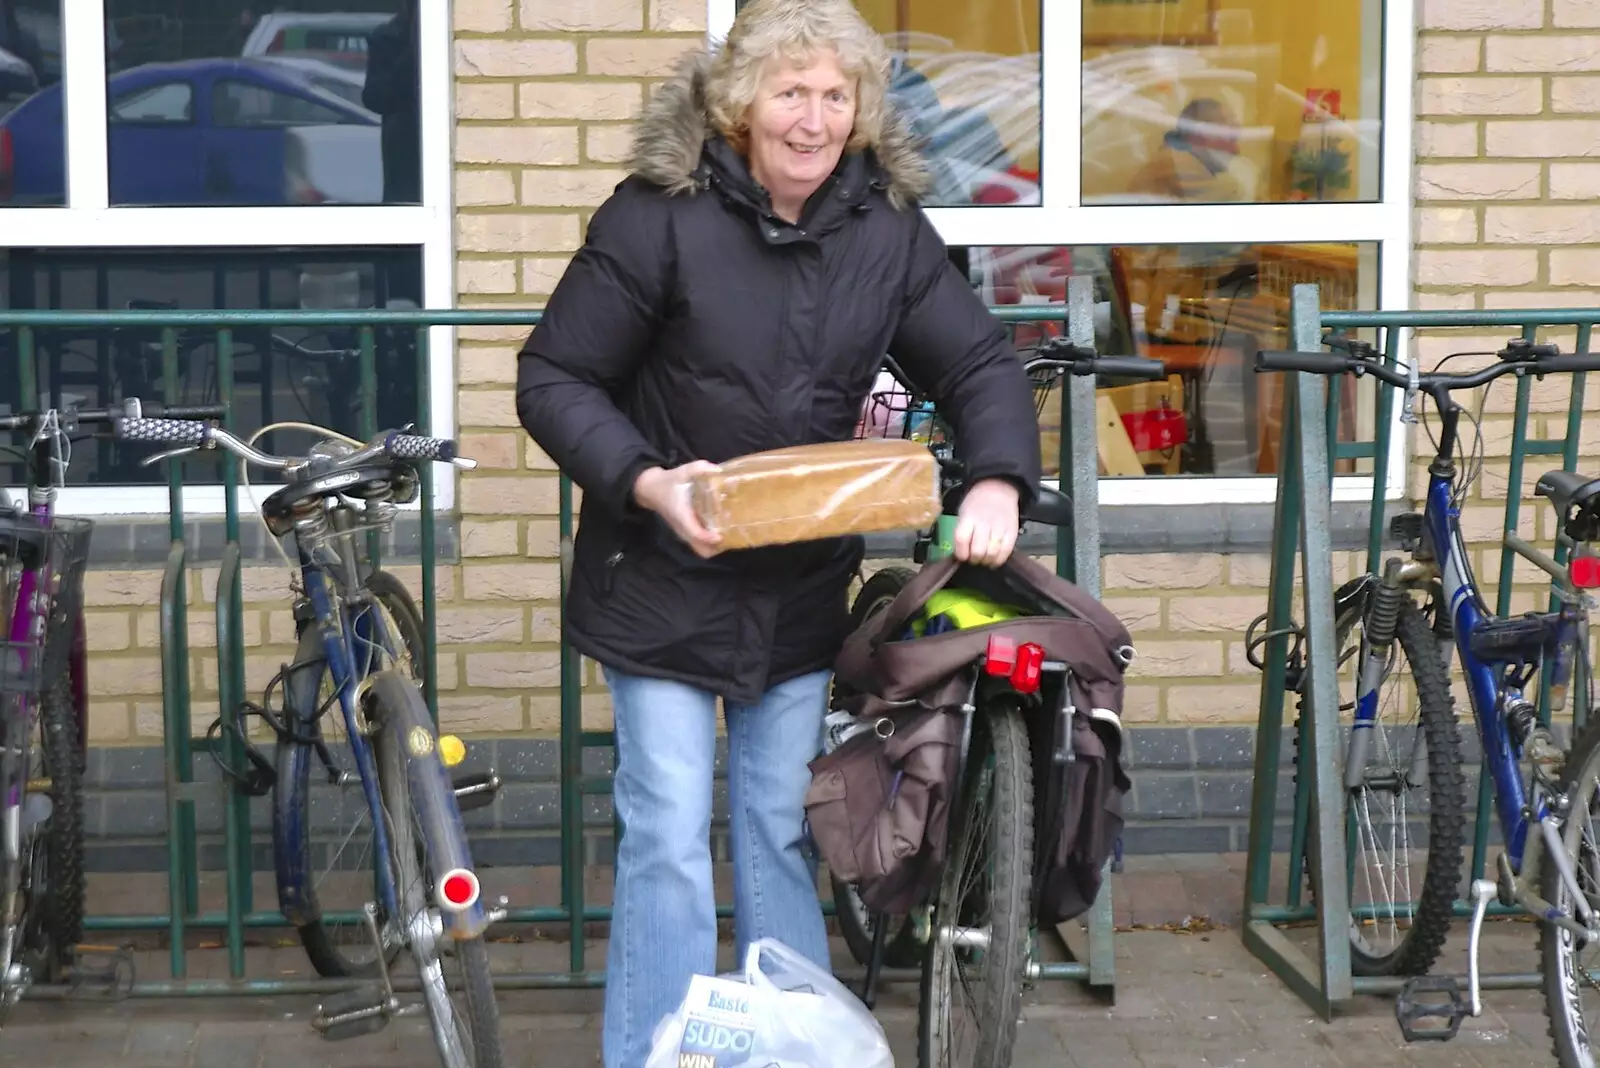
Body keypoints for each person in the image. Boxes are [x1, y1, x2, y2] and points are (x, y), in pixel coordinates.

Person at [514, 1, 1041, 1064]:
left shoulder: (882, 229)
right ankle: (654, 1050)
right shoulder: (655, 215)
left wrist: (996, 480)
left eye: (835, 95)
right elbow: (555, 375)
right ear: (740, 103)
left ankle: (792, 1047)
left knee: (776, 827)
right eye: (790, 92)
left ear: (860, 111)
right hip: (657, 574)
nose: (812, 119)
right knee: (666, 829)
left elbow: (978, 362)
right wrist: (651, 484)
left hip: (797, 586)